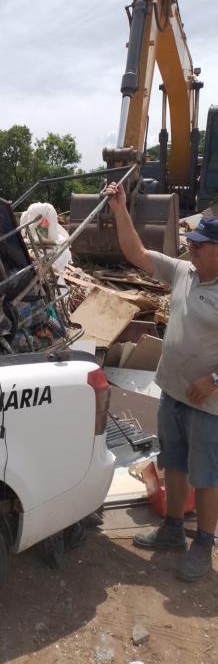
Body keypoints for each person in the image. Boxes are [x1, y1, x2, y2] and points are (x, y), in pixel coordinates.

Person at [105, 181, 218, 582]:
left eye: (200, 245)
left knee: (207, 475)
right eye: (192, 242)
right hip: (172, 391)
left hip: (207, 402)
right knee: (173, 462)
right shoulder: (184, 271)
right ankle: (172, 529)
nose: (192, 248)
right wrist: (120, 209)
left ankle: (203, 542)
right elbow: (135, 253)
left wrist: (214, 379)